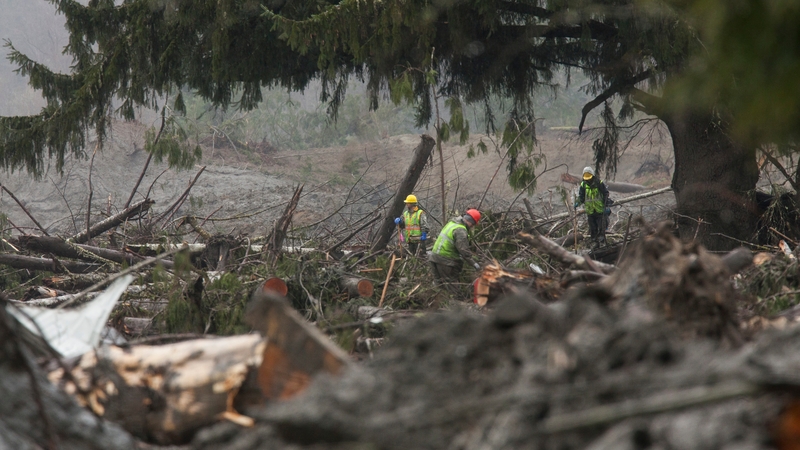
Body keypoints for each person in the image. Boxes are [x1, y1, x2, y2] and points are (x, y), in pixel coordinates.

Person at [429, 209, 482, 287]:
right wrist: (475, 264)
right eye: (473, 225)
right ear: (471, 222)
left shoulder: (452, 223)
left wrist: (476, 251)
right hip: (446, 261)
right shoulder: (461, 230)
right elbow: (464, 251)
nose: (472, 227)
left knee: (438, 286)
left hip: (433, 257)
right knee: (452, 287)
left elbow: (465, 243)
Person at [575, 166, 610, 247]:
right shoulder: (583, 185)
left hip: (599, 209)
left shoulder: (599, 183)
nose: (588, 180)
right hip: (590, 211)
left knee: (601, 227)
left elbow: (605, 193)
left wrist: (605, 204)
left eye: (589, 178)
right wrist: (577, 203)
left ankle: (602, 243)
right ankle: (594, 243)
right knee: (593, 228)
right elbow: (581, 197)